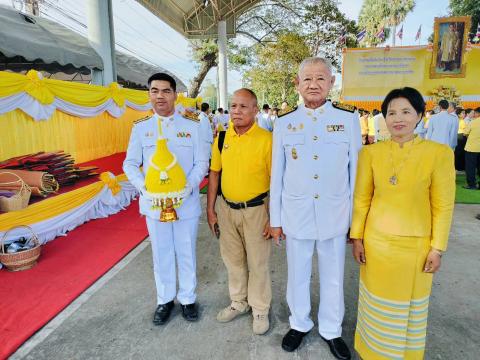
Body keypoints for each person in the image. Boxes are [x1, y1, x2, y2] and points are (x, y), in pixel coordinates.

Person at [350, 87, 455, 360]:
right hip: (377, 246)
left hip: (416, 249)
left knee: (408, 312)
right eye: (392, 112)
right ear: (384, 117)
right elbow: (362, 199)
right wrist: (357, 238)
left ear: (420, 115)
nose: (398, 118)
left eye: (406, 111)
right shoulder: (370, 153)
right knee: (376, 306)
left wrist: (437, 248)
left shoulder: (439, 153)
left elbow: (443, 205)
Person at [270, 57, 362, 360]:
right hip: (295, 213)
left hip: (335, 214)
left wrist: (355, 223)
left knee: (334, 274)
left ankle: (332, 329)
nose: (313, 84)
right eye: (307, 78)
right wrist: (275, 219)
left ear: (331, 83)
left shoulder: (348, 119)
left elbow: (356, 174)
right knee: (297, 272)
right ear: (297, 83)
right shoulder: (284, 122)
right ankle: (299, 323)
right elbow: (277, 174)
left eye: (321, 78)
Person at [123, 73, 210, 325]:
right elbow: (130, 163)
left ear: (175, 94)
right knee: (161, 253)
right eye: (154, 91)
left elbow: (201, 162)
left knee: (186, 251)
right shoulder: (141, 127)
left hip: (186, 201)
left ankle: (188, 299)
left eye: (165, 91)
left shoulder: (193, 124)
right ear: (149, 94)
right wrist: (144, 188)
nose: (159, 96)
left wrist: (188, 186)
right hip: (154, 204)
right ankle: (164, 300)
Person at [206, 88, 273, 335]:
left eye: (243, 106)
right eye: (233, 106)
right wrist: (211, 210)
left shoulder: (267, 140)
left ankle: (260, 308)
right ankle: (239, 302)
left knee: (258, 263)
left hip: (257, 211)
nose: (237, 111)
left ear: (255, 110)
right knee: (233, 260)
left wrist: (274, 218)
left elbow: (276, 181)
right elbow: (214, 174)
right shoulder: (222, 138)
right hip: (226, 209)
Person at [463, 107, 480, 189]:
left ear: (478, 114)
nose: (474, 114)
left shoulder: (473, 122)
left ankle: (471, 184)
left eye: (475, 113)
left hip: (472, 148)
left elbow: (465, 133)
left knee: (470, 167)